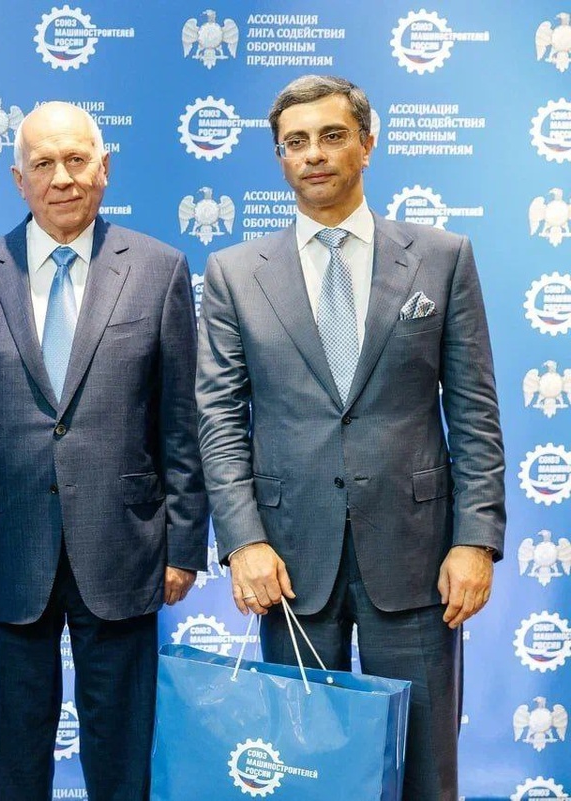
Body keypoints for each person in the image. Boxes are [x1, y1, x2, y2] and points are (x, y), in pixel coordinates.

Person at [195, 75, 505, 800]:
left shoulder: (442, 257)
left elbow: (475, 411)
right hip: (288, 561)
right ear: (280, 158)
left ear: (367, 144)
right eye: (295, 142)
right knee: (302, 776)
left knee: (426, 770)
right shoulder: (235, 274)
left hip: (419, 557)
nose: (313, 154)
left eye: (332, 136)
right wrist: (243, 542)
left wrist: (475, 540)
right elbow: (219, 420)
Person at [0, 102, 208, 800]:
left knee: (121, 756)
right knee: (12, 758)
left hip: (124, 547)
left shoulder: (160, 269)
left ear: (104, 168)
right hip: (4, 551)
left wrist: (183, 546)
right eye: (44, 163)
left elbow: (181, 421)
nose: (62, 178)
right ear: (18, 179)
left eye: (77, 160)